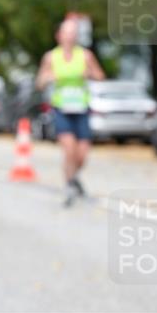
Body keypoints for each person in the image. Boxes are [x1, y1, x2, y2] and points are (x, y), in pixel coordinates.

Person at [36, 16, 105, 207]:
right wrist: (48, 77)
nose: (70, 36)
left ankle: (74, 177)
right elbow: (39, 83)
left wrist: (90, 74)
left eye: (73, 33)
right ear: (59, 36)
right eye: (67, 33)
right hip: (62, 108)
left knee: (82, 154)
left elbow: (100, 76)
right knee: (69, 149)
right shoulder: (51, 57)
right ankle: (69, 186)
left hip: (81, 108)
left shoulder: (85, 56)